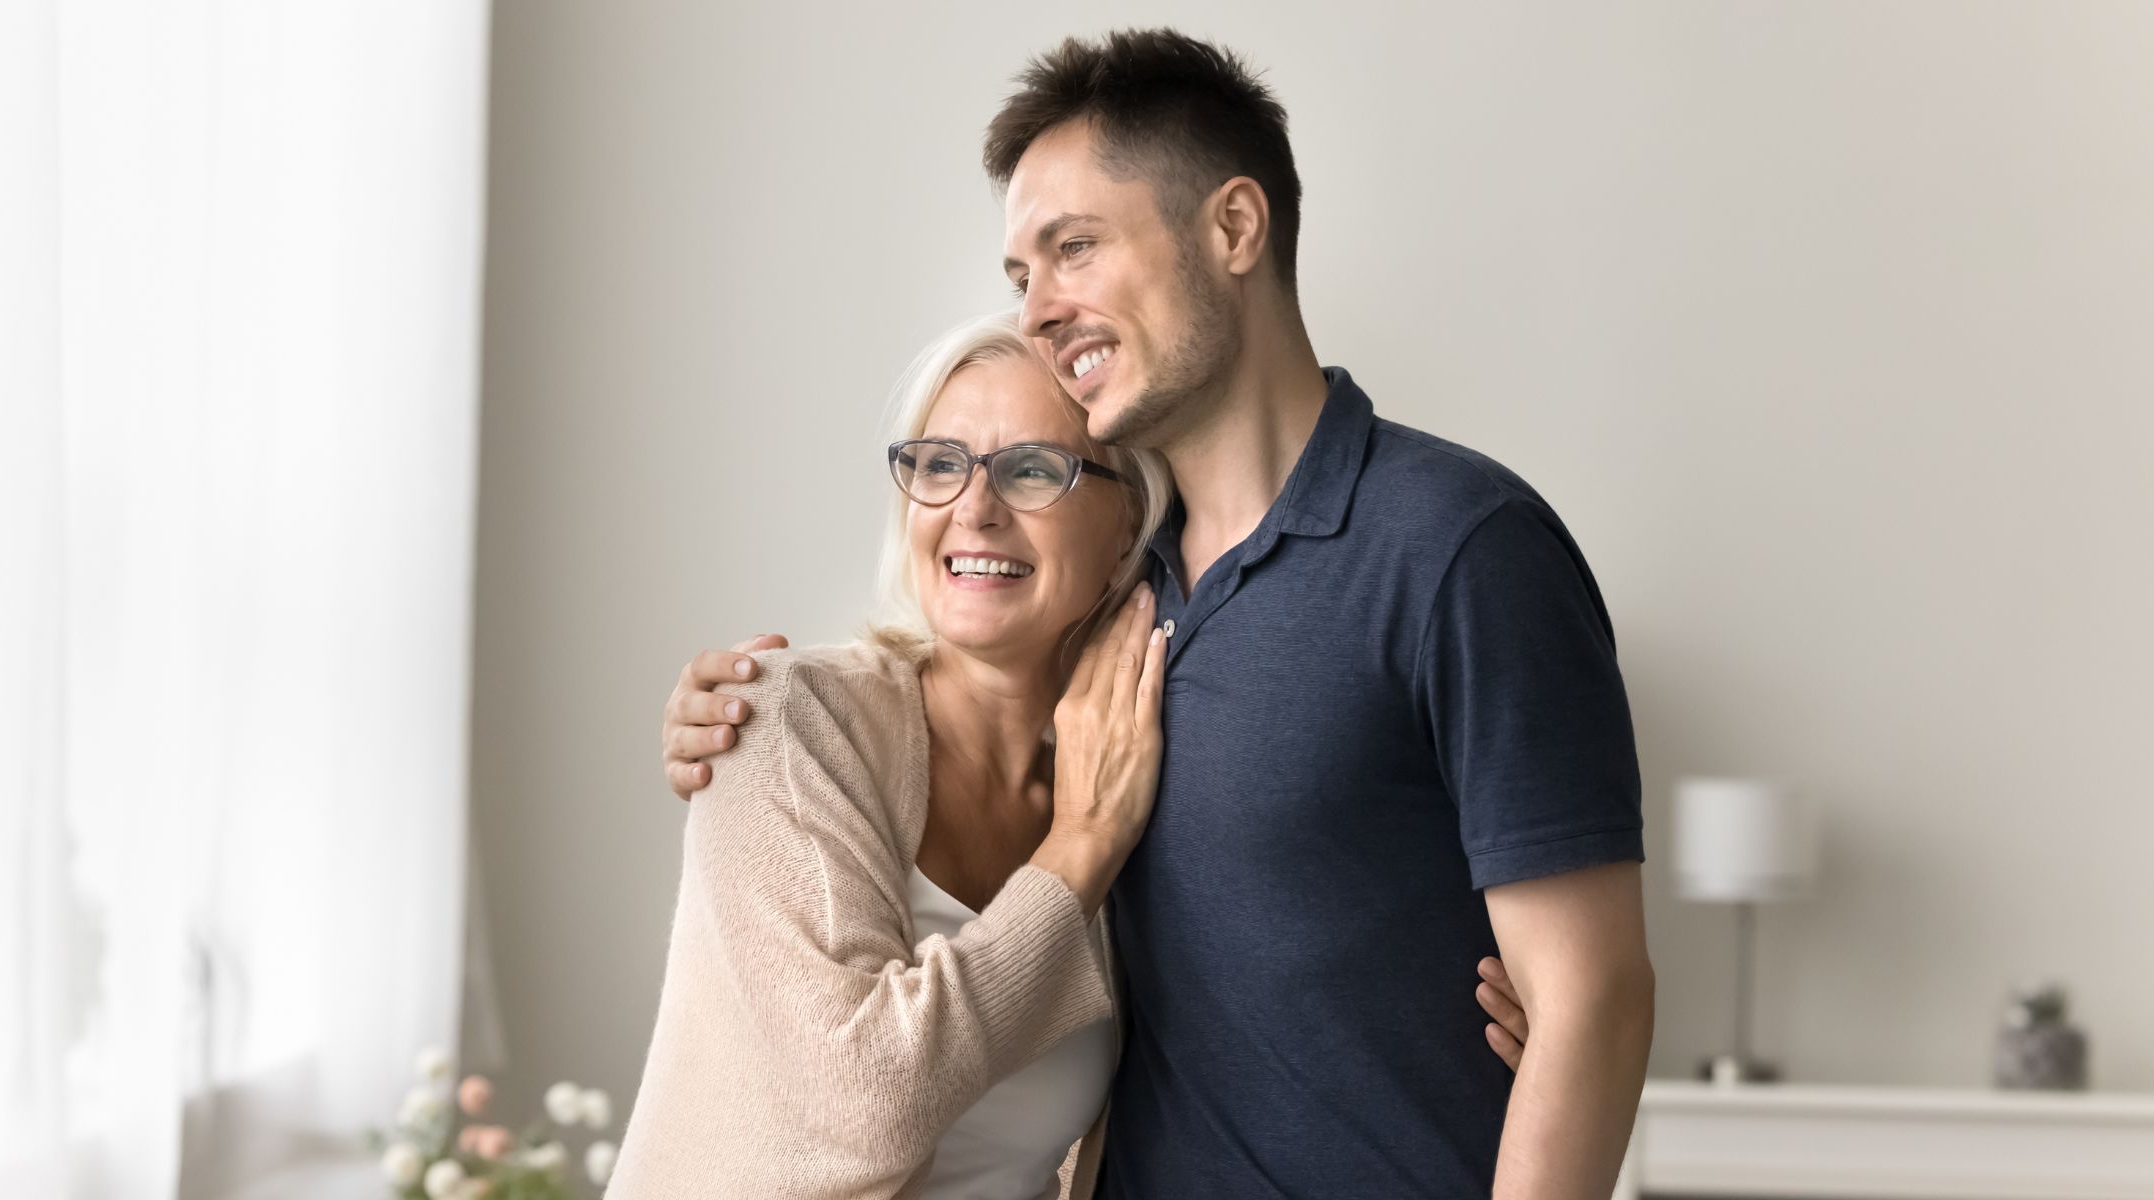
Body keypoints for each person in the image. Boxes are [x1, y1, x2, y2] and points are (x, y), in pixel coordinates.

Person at [660, 28, 1654, 1199]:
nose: (1041, 310)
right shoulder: (1112, 614)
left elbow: (1592, 1000)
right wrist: (736, 719)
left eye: (1074, 248)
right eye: (1021, 277)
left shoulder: (1456, 549)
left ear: (1235, 228)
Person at [611, 313, 1535, 1200]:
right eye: (938, 465)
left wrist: (1487, 1027)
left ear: (1128, 525)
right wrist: (1080, 848)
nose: (973, 509)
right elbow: (861, 1101)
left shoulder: (1142, 778)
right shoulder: (784, 719)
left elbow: (1273, 989)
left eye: (1031, 472)